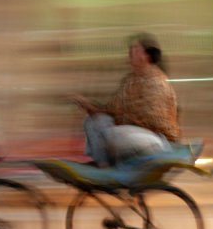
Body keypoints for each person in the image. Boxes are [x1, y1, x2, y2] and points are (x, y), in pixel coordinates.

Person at [69, 33, 180, 167]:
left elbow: (150, 119)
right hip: (129, 132)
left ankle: (111, 161)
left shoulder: (157, 82)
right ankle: (103, 165)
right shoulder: (129, 80)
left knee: (111, 134)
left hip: (155, 139)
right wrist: (91, 108)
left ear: (146, 56)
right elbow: (113, 108)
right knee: (94, 121)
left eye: (135, 49)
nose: (130, 52)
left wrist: (117, 120)